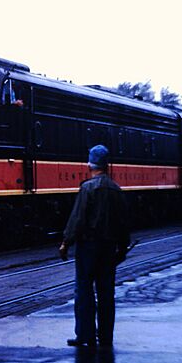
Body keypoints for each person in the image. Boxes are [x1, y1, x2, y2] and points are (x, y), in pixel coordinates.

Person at [59, 145, 130, 349]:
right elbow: (123, 222)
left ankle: (85, 335)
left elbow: (77, 219)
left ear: (90, 164)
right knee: (106, 292)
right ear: (107, 165)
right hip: (109, 248)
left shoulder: (87, 188)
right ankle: (106, 336)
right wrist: (123, 248)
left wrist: (66, 242)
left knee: (84, 290)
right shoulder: (116, 190)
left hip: (88, 247)